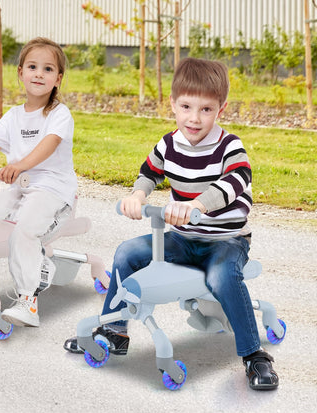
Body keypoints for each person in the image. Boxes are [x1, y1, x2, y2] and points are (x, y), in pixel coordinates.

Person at [64, 57, 279, 390]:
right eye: (186, 107)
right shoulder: (168, 144)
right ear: (173, 104)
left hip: (225, 241)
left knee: (222, 275)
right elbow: (149, 172)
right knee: (127, 253)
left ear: (220, 109)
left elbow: (236, 180)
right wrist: (138, 195)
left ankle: (254, 355)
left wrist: (196, 205)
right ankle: (114, 331)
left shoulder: (229, 146)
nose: (194, 118)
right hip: (182, 238)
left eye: (206, 110)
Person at [0, 37, 77, 327]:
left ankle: (27, 301)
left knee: (24, 230)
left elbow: (49, 144)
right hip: (21, 187)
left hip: (53, 191)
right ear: (21, 73)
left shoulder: (59, 114)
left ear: (58, 78)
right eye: (32, 67)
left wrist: (20, 165)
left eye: (48, 69)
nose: (39, 74)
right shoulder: (13, 116)